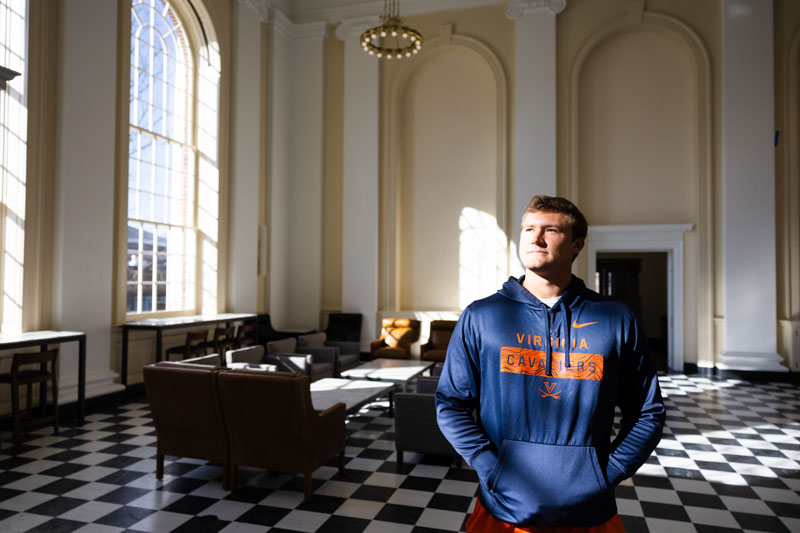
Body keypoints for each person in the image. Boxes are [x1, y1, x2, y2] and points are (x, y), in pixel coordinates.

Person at [435, 195, 665, 532]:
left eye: (550, 229)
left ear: (577, 244)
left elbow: (647, 412)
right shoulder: (482, 315)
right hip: (503, 509)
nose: (535, 237)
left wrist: (607, 474)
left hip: (590, 511)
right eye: (528, 228)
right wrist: (489, 468)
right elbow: (451, 403)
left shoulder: (617, 319)